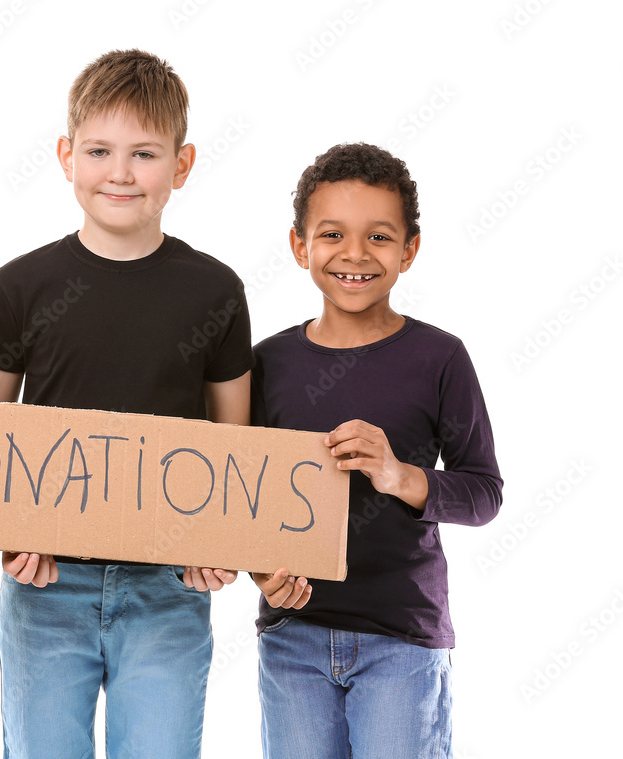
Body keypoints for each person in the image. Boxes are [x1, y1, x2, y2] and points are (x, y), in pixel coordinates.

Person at [0, 49, 254, 759]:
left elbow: (237, 446)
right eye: (99, 150)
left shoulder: (215, 292)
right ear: (67, 156)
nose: (120, 173)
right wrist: (6, 531)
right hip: (47, 585)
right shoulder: (20, 286)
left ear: (181, 165)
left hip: (167, 589)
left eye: (144, 153)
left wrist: (224, 545)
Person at [251, 143, 503, 758]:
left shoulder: (439, 358)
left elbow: (484, 493)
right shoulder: (268, 363)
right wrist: (262, 575)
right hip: (293, 637)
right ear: (298, 246)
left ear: (409, 250)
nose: (355, 254)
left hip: (403, 642)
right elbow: (241, 500)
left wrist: (399, 476)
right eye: (332, 233)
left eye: (380, 237)